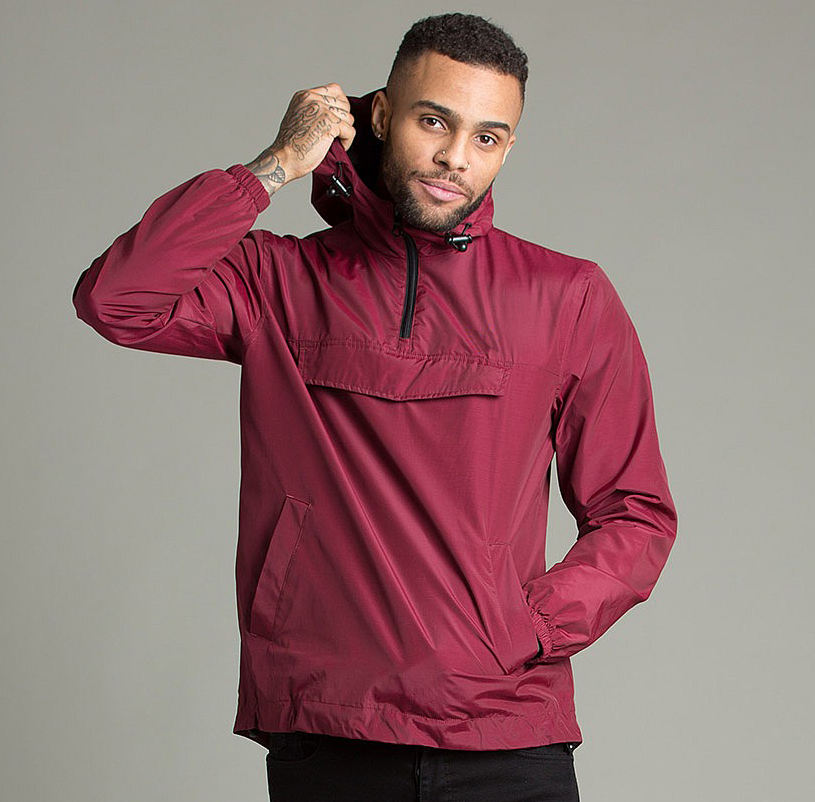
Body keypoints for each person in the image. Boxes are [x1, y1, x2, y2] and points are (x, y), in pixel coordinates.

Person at [72, 12, 677, 802]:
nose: (456, 157)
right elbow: (117, 299)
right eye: (434, 121)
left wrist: (530, 626)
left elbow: (635, 512)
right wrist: (272, 167)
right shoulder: (276, 282)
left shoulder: (567, 296)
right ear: (382, 116)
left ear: (507, 149)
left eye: (487, 137)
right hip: (329, 723)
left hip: (504, 731)